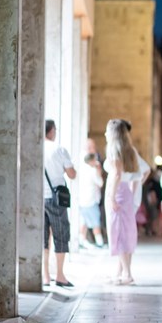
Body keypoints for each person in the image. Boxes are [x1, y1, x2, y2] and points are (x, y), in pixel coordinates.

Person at [104, 119, 143, 285]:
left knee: (118, 233)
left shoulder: (114, 149)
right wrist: (131, 194)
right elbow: (137, 175)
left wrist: (112, 196)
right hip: (126, 191)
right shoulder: (130, 150)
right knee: (126, 232)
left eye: (107, 131)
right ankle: (120, 272)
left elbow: (117, 174)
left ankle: (127, 274)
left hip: (117, 191)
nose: (105, 134)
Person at [43, 120, 77, 287]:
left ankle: (45, 276)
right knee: (60, 235)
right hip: (56, 199)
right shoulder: (59, 149)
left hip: (37, 198)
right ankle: (60, 275)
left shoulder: (35, 148)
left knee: (42, 238)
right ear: (51, 131)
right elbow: (72, 174)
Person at [79, 152, 105, 248]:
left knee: (84, 221)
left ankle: (81, 240)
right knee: (95, 221)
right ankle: (100, 242)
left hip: (82, 200)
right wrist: (99, 171)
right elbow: (100, 183)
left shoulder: (81, 170)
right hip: (91, 200)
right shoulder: (93, 171)